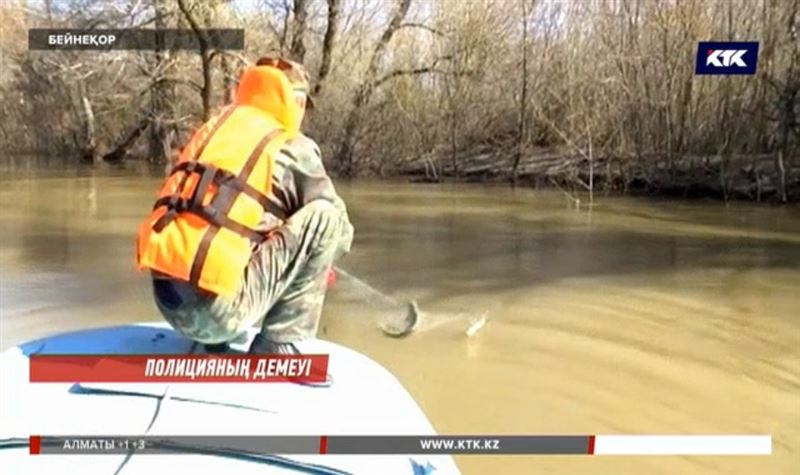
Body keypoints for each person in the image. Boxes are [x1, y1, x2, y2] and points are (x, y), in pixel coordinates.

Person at [135, 56, 354, 359]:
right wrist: (319, 258)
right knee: (326, 219)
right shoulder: (292, 145)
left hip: (167, 304)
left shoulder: (213, 129)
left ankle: (215, 344)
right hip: (218, 315)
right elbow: (340, 235)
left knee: (229, 219)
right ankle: (278, 346)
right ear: (296, 103)